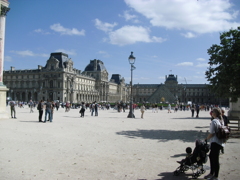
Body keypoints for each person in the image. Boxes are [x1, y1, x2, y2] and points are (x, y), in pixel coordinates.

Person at [204, 108, 225, 180]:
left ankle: (215, 175)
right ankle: (212, 173)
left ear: (214, 114)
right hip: (220, 142)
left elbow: (212, 133)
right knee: (212, 157)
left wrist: (206, 138)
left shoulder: (214, 121)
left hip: (215, 142)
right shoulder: (221, 120)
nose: (211, 114)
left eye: (212, 113)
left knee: (215, 159)